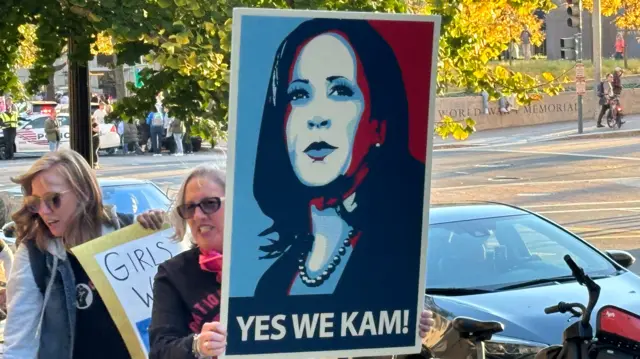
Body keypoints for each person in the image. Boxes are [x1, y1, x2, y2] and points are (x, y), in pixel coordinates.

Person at [136, 165, 435, 358]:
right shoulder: (174, 274)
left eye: (210, 204)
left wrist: (402, 323)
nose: (199, 215)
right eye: (190, 208)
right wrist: (197, 347)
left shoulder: (285, 258)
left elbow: (340, 326)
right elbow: (161, 350)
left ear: (236, 204)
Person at [251, 18, 427, 306]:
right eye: (299, 94)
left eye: (341, 91)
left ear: (379, 124)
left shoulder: (402, 251)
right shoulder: (271, 282)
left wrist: (420, 328)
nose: (316, 116)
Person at [3, 148, 134, 359]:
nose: (44, 211)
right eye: (35, 203)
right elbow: (19, 344)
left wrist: (156, 229)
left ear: (84, 192)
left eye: (53, 199)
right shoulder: (36, 254)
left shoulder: (126, 232)